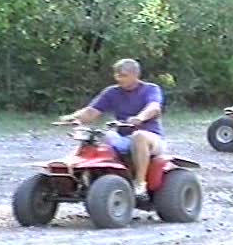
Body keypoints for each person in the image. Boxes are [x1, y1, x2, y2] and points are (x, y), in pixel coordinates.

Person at [60, 58, 165, 197]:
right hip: (123, 137)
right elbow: (92, 111)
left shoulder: (151, 89)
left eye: (123, 75)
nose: (119, 79)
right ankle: (82, 175)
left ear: (135, 75)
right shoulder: (112, 92)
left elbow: (154, 107)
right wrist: (73, 118)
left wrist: (140, 117)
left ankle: (140, 184)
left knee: (139, 136)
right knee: (97, 136)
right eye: (117, 75)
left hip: (151, 137)